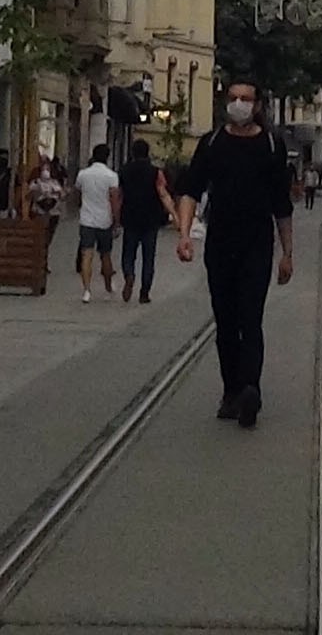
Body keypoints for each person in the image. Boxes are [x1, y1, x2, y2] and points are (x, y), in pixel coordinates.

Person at [173, 81, 295, 427]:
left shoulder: (271, 144)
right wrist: (184, 235)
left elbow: (281, 203)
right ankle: (232, 391)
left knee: (250, 319)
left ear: (258, 105)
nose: (238, 103)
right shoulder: (212, 143)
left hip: (257, 243)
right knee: (226, 321)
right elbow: (190, 190)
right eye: (233, 98)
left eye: (246, 99)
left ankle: (250, 389)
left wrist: (288, 252)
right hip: (220, 244)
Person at [115, 140, 170, 304]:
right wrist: (172, 213)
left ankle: (129, 274)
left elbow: (119, 195)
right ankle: (144, 293)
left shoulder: (124, 171)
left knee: (128, 253)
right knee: (148, 257)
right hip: (150, 219)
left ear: (132, 152)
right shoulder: (156, 172)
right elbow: (163, 193)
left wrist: (116, 218)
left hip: (130, 217)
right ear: (147, 153)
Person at [72, 142, 122, 303]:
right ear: (108, 157)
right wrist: (116, 221)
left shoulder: (83, 174)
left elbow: (77, 194)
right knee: (105, 254)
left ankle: (87, 290)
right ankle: (108, 286)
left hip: (86, 219)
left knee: (86, 254)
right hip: (104, 220)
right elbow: (114, 200)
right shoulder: (111, 176)